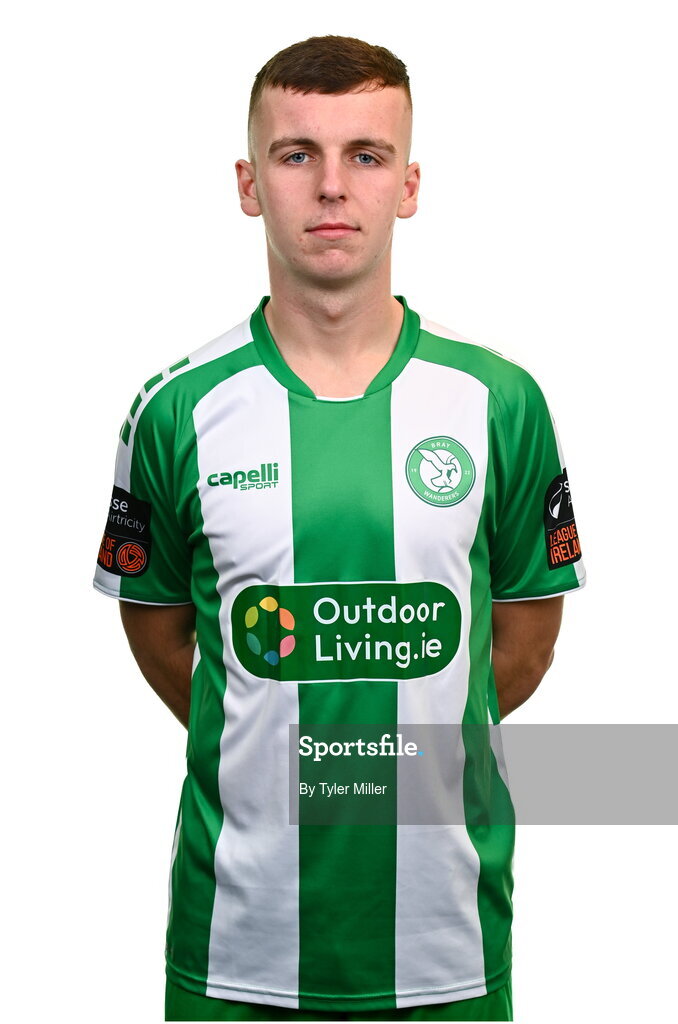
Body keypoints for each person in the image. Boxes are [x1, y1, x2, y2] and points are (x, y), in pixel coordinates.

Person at [93, 34, 585, 1023]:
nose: (331, 187)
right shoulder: (174, 409)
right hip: (235, 948)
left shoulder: (499, 400)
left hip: (446, 946)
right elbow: (161, 635)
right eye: (295, 154)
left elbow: (522, 640)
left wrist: (397, 749)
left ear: (407, 184)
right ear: (248, 183)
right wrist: (269, 740)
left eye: (365, 156)